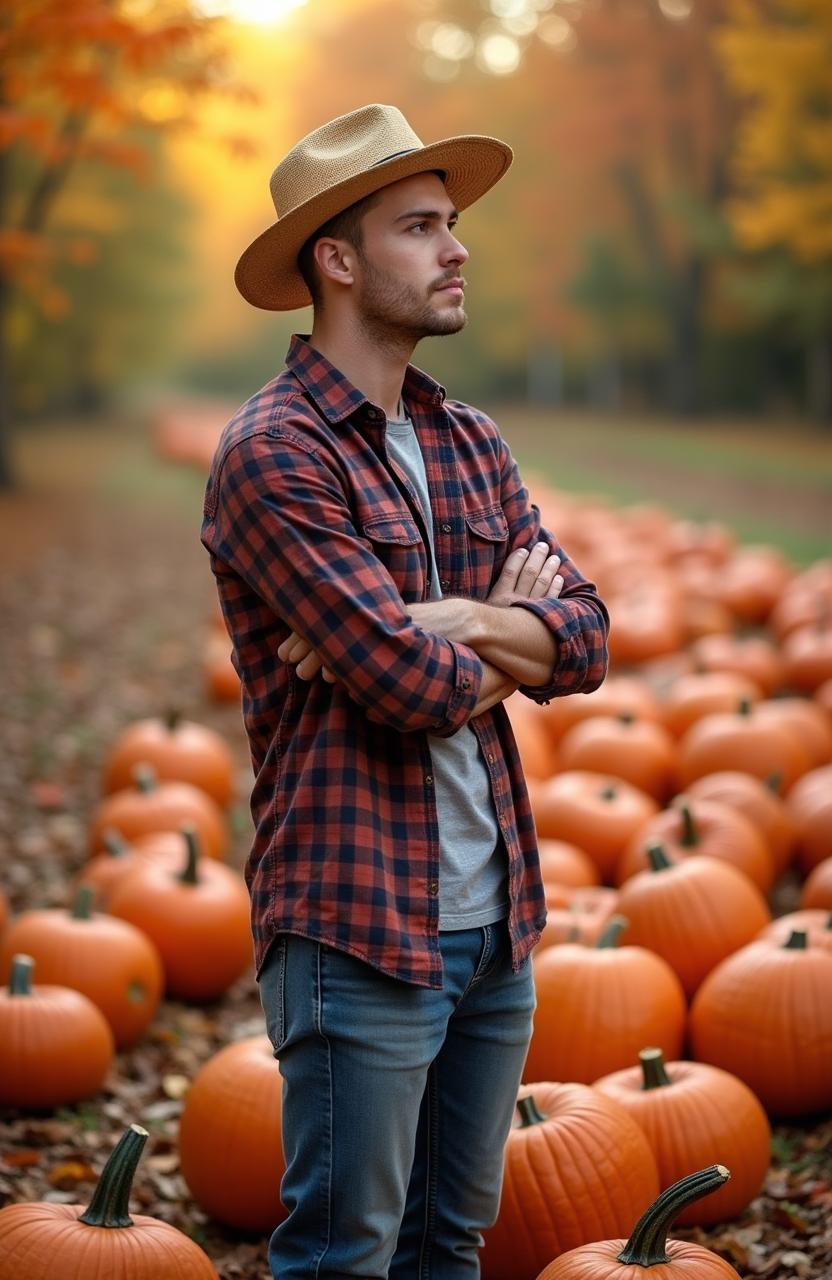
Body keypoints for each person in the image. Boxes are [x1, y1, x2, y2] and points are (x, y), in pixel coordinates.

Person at [201, 103, 609, 1280]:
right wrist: (476, 641)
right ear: (337, 258)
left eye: (453, 223)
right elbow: (401, 684)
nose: (456, 248)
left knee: (450, 1247)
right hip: (359, 925)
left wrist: (462, 618)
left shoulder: (471, 437)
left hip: (498, 925)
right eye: (420, 225)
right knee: (345, 1255)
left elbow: (584, 639)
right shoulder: (275, 451)